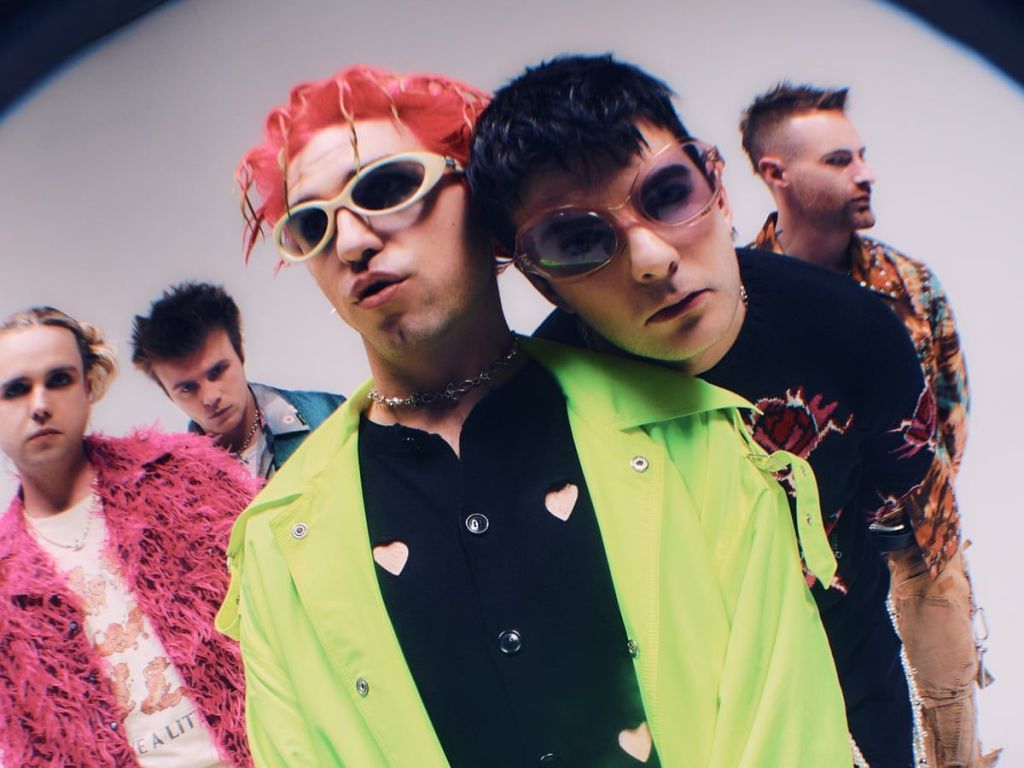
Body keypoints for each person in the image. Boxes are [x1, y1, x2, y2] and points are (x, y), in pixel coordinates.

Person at [215, 64, 850, 767]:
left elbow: (789, 734)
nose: (352, 242)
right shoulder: (278, 546)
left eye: (388, 188)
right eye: (310, 225)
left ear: (487, 214)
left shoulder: (697, 437)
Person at [468, 53, 949, 768]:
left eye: (668, 194)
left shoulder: (858, 332)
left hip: (852, 689)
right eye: (579, 240)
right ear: (541, 279)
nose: (652, 258)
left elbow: (906, 517)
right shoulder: (527, 421)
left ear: (718, 186)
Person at [740, 82, 994, 767]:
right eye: (839, 160)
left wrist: (915, 499)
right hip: (806, 561)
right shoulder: (738, 299)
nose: (866, 173)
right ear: (776, 174)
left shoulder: (911, 282)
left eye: (862, 155)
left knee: (950, 688)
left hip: (921, 535)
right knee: (837, 716)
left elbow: (950, 408)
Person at [0, 306, 258, 766]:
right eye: (15, 390)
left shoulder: (187, 476)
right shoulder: (4, 583)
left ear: (88, 387)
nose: (39, 404)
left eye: (58, 380)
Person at [131, 282, 344, 478]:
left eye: (217, 371)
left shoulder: (330, 415)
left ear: (240, 354)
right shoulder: (177, 485)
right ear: (169, 395)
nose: (210, 397)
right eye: (187, 388)